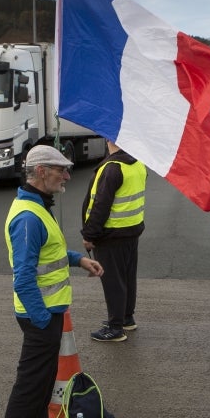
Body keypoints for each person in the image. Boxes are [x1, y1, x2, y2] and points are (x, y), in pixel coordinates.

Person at [0, 145, 104, 418]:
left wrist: (78, 258)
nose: (67, 176)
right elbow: (23, 277)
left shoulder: (38, 207)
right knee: (30, 386)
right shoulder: (28, 216)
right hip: (39, 314)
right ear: (41, 171)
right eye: (61, 170)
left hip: (48, 312)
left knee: (43, 383)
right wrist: (42, 321)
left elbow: (50, 251)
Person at [82, 140, 147, 342]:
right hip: (131, 231)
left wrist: (89, 235)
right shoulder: (138, 164)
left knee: (113, 282)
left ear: (110, 140)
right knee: (127, 278)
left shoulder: (111, 168)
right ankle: (127, 318)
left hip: (110, 235)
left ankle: (115, 327)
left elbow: (100, 206)